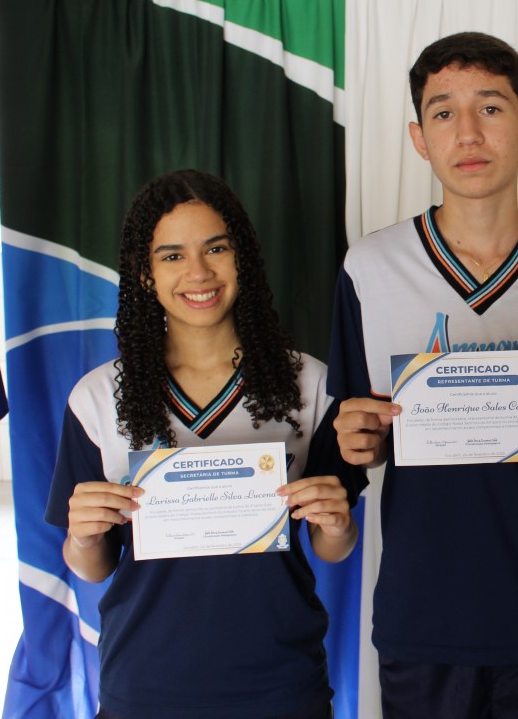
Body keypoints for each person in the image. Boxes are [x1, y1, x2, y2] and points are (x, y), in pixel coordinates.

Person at [328, 32, 518, 718]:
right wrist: (358, 442)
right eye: (443, 113)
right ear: (418, 138)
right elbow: (356, 442)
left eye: (491, 108)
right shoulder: (369, 268)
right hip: (423, 614)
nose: (468, 132)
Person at [45, 170, 365, 719]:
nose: (198, 272)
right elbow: (92, 568)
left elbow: (332, 547)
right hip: (145, 684)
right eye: (172, 256)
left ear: (243, 258)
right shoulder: (97, 398)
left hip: (282, 682)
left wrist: (338, 525)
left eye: (216, 248)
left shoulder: (311, 385)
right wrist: (82, 534)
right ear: (144, 273)